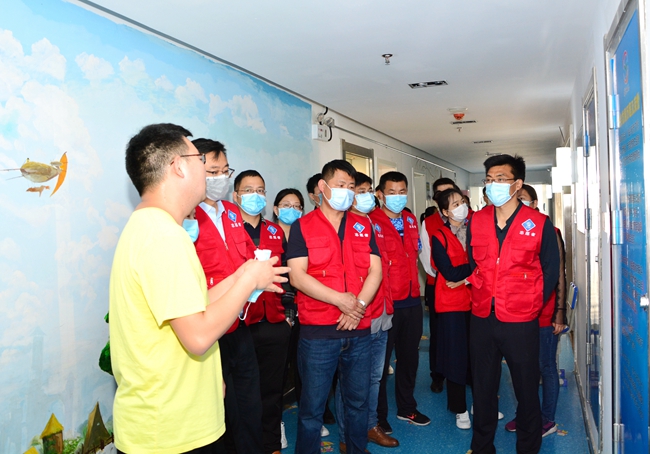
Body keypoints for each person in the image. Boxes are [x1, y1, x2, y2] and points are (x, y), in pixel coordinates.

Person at [109, 123, 287, 454]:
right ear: (178, 166)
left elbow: (193, 304)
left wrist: (242, 274)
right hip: (171, 431)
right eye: (199, 160)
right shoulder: (165, 236)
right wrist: (249, 281)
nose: (206, 170)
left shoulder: (148, 225)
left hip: (175, 420)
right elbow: (198, 335)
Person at [287, 160, 383, 454]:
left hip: (358, 331)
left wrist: (358, 306)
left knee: (358, 403)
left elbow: (375, 271)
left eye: (351, 187)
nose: (347, 191)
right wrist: (340, 300)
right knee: (312, 409)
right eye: (341, 185)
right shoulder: (302, 226)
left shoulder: (363, 225)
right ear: (323, 187)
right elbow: (297, 276)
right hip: (319, 333)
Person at [466, 154, 559, 454]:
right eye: (488, 179)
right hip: (482, 317)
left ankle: (528, 448)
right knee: (482, 389)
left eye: (500, 179)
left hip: (520, 320)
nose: (493, 184)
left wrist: (531, 305)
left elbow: (550, 271)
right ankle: (482, 447)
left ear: (518, 184)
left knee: (526, 390)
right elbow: (473, 264)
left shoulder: (540, 223)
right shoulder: (477, 220)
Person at [191, 139, 263, 454]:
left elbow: (246, 256)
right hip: (207, 326)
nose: (220, 178)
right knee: (216, 411)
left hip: (239, 323)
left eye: (225, 171)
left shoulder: (233, 212)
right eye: (212, 172)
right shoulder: (186, 216)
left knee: (248, 404)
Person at [335, 172, 399, 449]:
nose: (366, 196)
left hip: (383, 311)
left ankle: (370, 425)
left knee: (375, 377)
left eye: (368, 190)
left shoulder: (375, 223)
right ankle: (347, 436)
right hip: (360, 315)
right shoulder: (343, 226)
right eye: (359, 191)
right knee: (350, 381)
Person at [233, 170, 293, 454]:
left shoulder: (274, 231)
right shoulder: (231, 231)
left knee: (272, 390)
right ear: (236, 196)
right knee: (242, 394)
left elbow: (286, 275)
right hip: (241, 323)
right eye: (248, 190)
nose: (255, 196)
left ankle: (271, 445)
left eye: (260, 190)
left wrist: (289, 315)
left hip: (275, 320)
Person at [504, 184, 568, 438]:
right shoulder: (510, 230)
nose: (520, 204)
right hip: (518, 312)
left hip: (544, 312)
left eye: (525, 200)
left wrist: (559, 312)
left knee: (545, 366)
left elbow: (559, 274)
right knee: (522, 367)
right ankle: (526, 414)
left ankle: (547, 419)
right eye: (516, 200)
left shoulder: (550, 231)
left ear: (535, 204)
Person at [373, 171, 430, 432]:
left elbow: (415, 254)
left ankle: (407, 408)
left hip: (411, 300)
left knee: (409, 359)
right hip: (385, 303)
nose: (398, 197)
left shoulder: (409, 219)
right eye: (392, 192)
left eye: (402, 192)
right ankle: (378, 416)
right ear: (380, 194)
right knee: (380, 364)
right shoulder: (371, 221)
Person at [429, 188, 473, 429]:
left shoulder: (474, 230)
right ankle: (459, 408)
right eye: (455, 204)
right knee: (456, 357)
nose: (461, 206)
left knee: (477, 355)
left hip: (475, 301)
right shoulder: (439, 237)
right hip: (451, 305)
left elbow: (485, 262)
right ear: (445, 212)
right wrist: (472, 271)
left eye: (462, 201)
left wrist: (466, 277)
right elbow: (449, 273)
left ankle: (481, 403)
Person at [419, 177, 459, 394]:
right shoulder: (429, 222)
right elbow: (426, 258)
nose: (446, 197)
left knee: (465, 332)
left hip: (467, 287)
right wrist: (447, 276)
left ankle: (466, 372)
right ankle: (438, 374)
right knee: (439, 333)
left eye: (450, 192)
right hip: (438, 285)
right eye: (440, 194)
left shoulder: (470, 218)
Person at [272, 188, 304, 450]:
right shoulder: (270, 236)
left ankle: (310, 417)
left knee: (304, 367)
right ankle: (277, 424)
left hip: (306, 309)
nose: (291, 210)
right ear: (275, 209)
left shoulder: (305, 235)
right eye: (286, 205)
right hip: (279, 310)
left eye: (296, 206)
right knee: (279, 372)